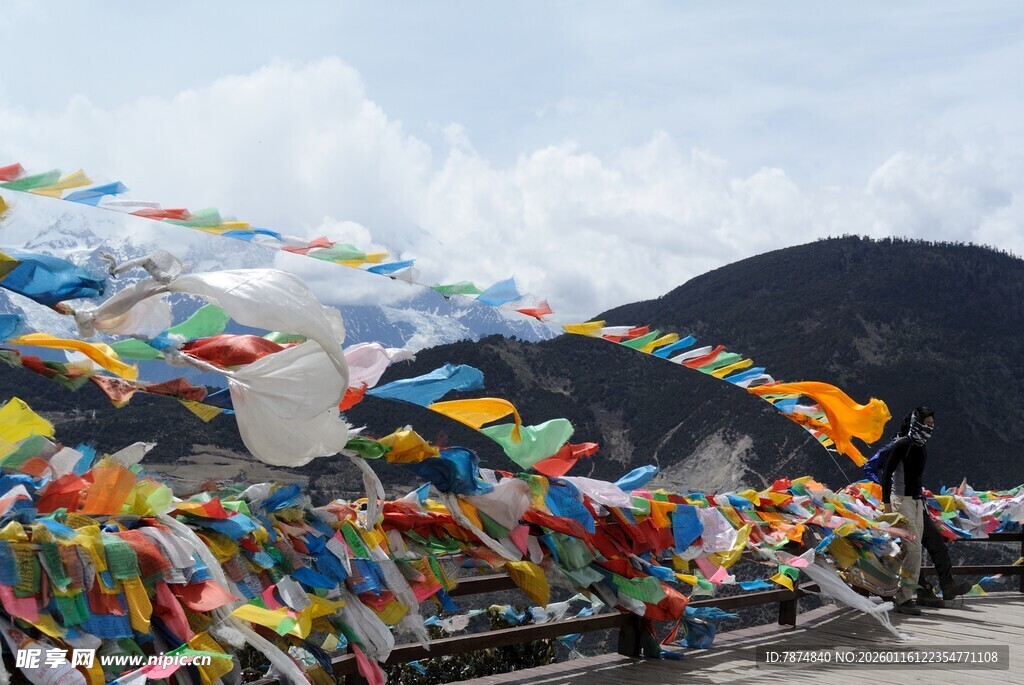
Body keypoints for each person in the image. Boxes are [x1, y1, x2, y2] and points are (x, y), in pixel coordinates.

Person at [881, 407, 934, 615]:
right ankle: (902, 599)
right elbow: (887, 474)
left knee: (915, 551)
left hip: (916, 501)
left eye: (931, 424)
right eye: (926, 423)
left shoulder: (922, 447)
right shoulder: (902, 445)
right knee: (912, 550)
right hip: (900, 500)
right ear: (917, 422)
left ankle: (903, 594)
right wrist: (886, 503)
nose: (929, 428)